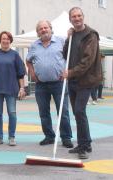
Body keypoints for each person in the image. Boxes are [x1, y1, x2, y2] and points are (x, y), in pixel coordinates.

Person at [62, 7, 102, 159]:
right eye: (74, 16)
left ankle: (83, 146)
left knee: (79, 111)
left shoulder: (91, 35)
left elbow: (87, 61)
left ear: (83, 17)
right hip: (73, 80)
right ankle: (85, 143)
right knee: (78, 113)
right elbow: (65, 54)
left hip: (86, 80)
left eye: (79, 16)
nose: (77, 18)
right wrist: (67, 38)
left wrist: (70, 72)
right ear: (70, 19)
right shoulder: (73, 35)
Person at [26, 20, 73, 148]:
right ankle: (49, 136)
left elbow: (71, 56)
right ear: (38, 32)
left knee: (63, 112)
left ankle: (66, 137)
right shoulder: (34, 45)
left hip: (59, 83)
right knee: (43, 113)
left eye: (45, 27)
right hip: (41, 85)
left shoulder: (61, 41)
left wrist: (67, 71)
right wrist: (32, 73)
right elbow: (28, 60)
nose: (43, 30)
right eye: (40, 29)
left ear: (51, 29)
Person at [0, 31, 26, 146]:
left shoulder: (15, 55)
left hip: (11, 88)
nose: (5, 40)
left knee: (12, 113)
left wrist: (22, 88)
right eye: (3, 38)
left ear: (10, 41)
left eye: (8, 38)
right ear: (0, 40)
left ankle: (11, 137)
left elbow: (21, 74)